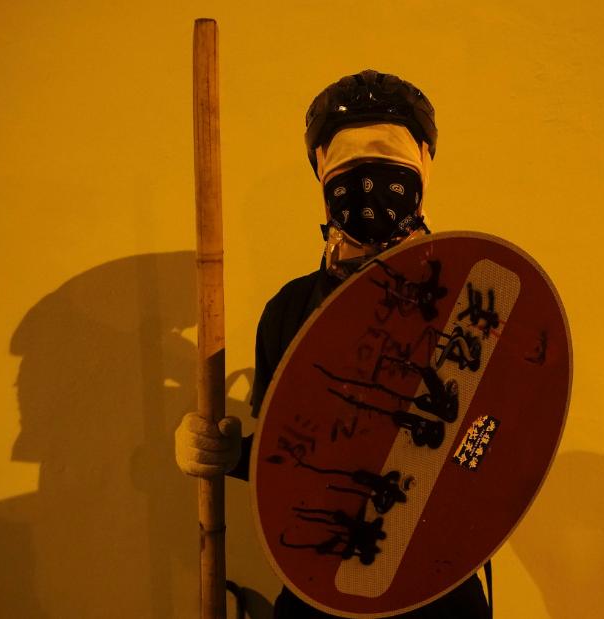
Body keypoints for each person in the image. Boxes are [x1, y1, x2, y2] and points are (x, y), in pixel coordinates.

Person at [175, 69, 491, 618]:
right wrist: (226, 455)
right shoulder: (290, 310)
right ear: (320, 168)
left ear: (424, 164)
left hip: (439, 589)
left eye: (388, 161)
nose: (368, 185)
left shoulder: (477, 298)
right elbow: (296, 456)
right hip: (322, 588)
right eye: (348, 164)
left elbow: (505, 439)